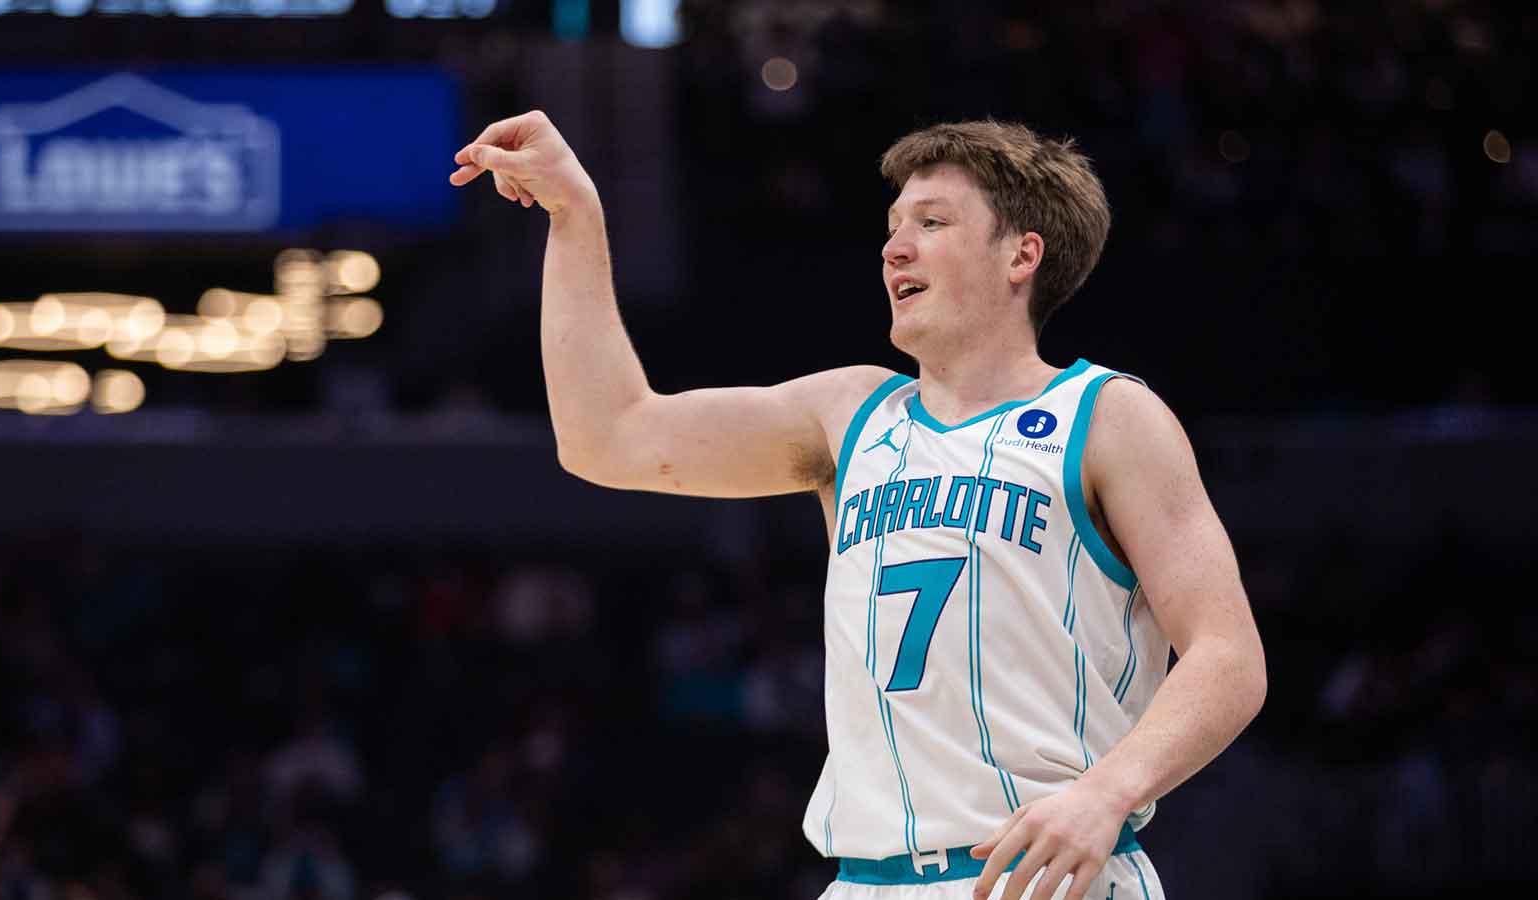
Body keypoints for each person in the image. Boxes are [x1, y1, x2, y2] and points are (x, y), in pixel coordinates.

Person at [449, 112, 1266, 900]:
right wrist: (574, 213)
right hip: (867, 882)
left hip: (1050, 875)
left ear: (1022, 255)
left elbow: (1228, 657)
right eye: (893, 224)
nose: (894, 246)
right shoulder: (851, 415)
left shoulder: (1108, 416)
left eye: (933, 222)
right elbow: (607, 439)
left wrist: (1108, 793)